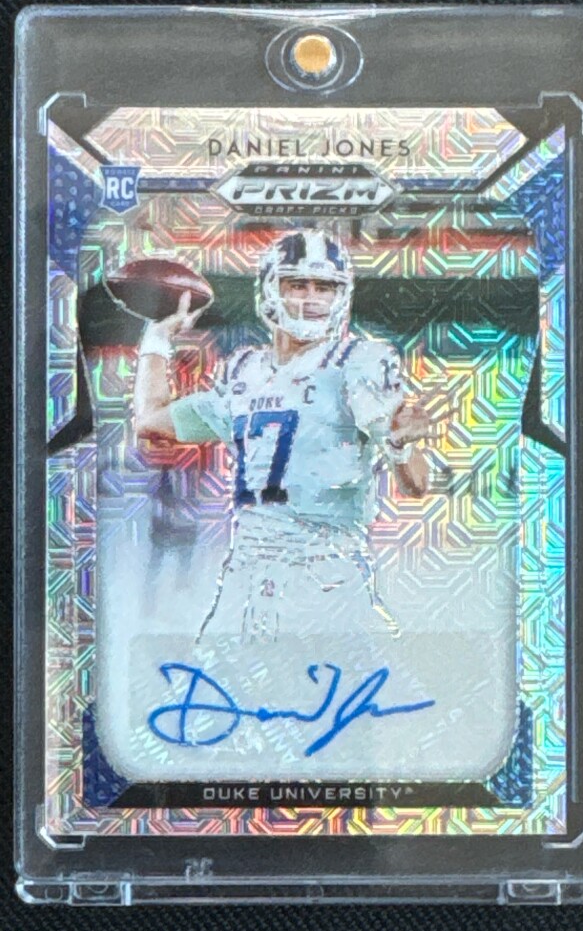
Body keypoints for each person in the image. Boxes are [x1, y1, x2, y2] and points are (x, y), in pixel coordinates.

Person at [134, 230, 430, 645]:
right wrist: (157, 337)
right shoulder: (245, 370)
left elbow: (416, 484)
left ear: (341, 295)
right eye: (298, 284)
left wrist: (401, 445)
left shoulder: (357, 362)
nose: (312, 298)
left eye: (324, 287)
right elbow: (150, 421)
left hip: (327, 575)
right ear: (271, 289)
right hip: (246, 574)